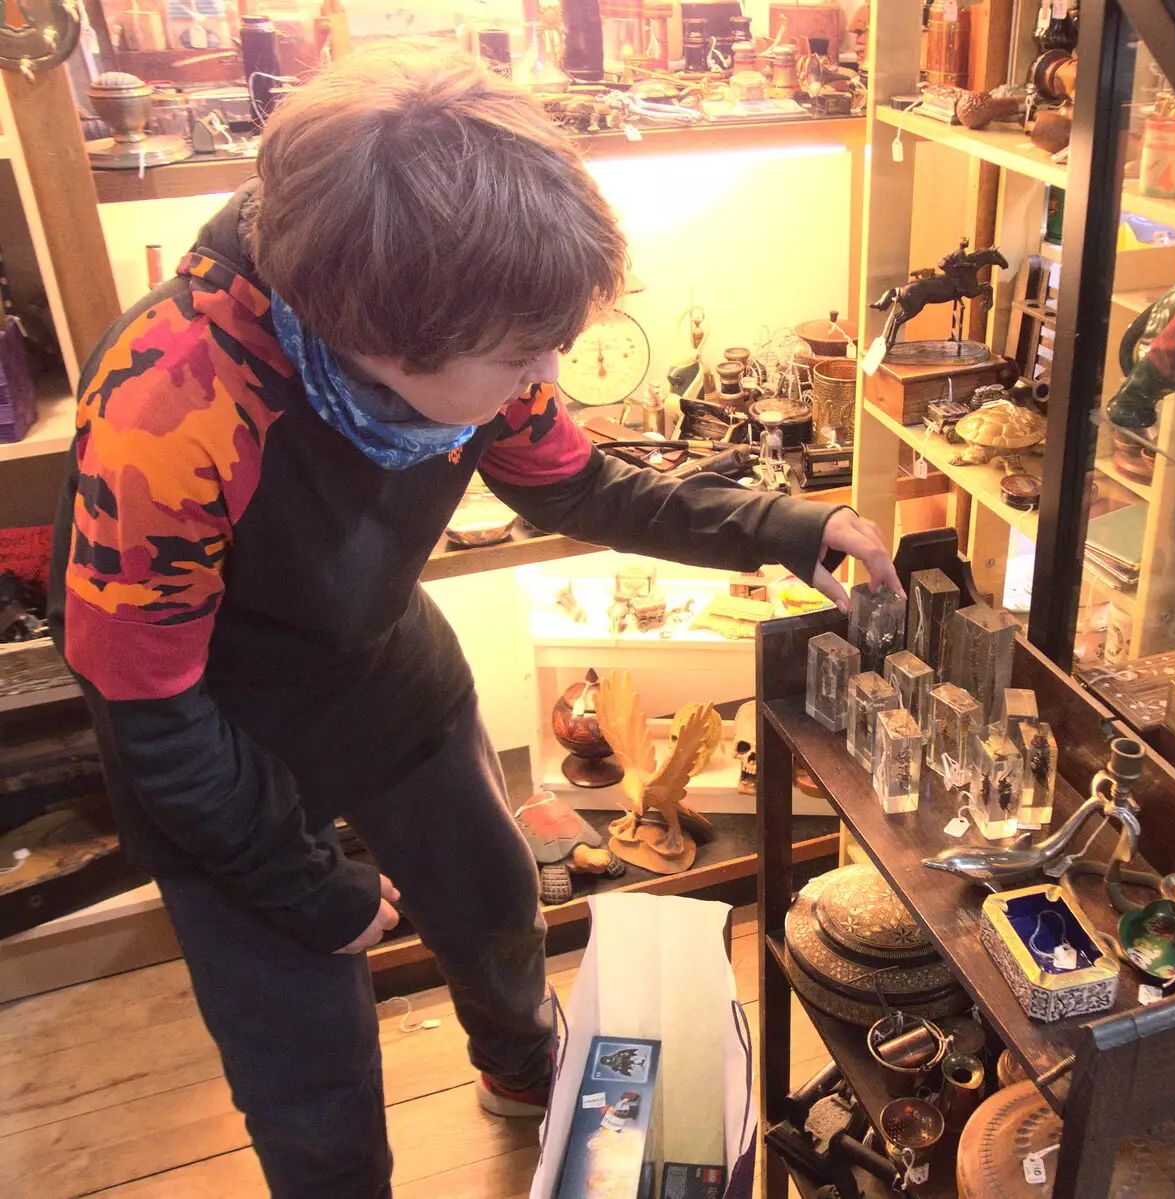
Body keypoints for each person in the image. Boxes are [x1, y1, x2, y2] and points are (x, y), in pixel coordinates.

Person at [49, 46, 895, 1198]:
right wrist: (311, 885)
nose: (545, 372)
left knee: (497, 906)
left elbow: (578, 484)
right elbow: (146, 706)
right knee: (309, 1066)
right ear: (383, 342)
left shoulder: (461, 310)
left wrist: (791, 525)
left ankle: (517, 1074)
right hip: (214, 735)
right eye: (516, 358)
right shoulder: (169, 403)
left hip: (384, 663)